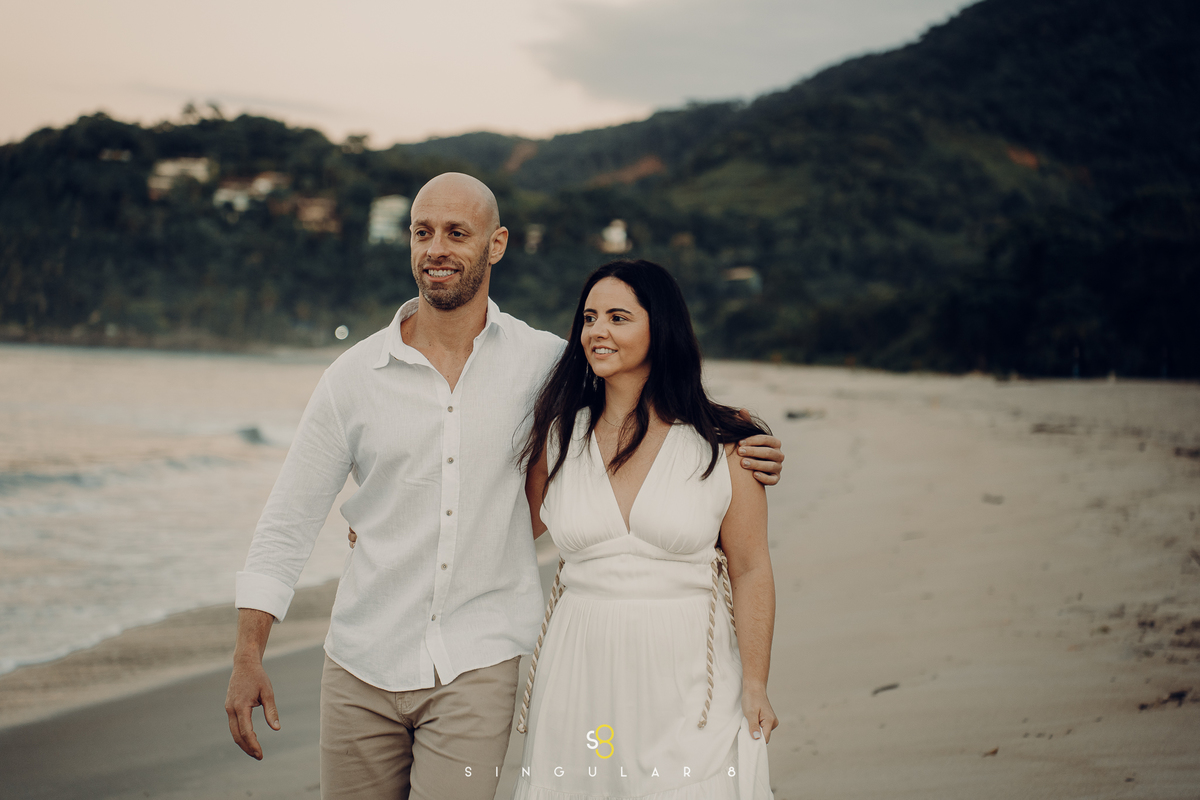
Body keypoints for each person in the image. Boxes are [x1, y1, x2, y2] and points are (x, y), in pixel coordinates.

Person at [223, 173, 784, 800]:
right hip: (362, 655)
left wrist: (742, 443)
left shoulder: (546, 365)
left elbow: (646, 407)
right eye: (422, 232)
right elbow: (288, 521)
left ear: (496, 245)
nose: (436, 248)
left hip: (478, 660)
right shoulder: (352, 378)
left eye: (456, 233)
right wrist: (248, 654)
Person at [512, 259, 777, 799]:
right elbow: (505, 532)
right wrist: (385, 522)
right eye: (589, 318)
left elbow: (751, 568)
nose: (597, 331)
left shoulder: (725, 442)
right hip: (580, 667)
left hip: (687, 671)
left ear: (662, 328)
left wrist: (755, 684)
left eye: (618, 317)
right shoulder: (559, 437)